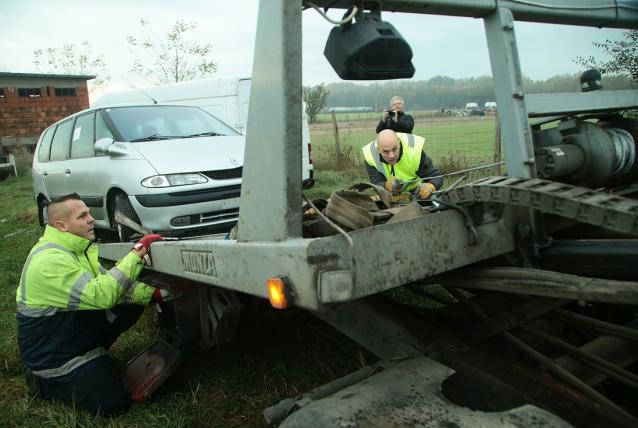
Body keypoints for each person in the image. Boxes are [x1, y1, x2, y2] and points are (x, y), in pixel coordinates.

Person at [15, 193, 170, 417]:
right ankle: (44, 383)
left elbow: (114, 283)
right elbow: (103, 295)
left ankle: (93, 359)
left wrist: (155, 294)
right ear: (61, 225)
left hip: (72, 338)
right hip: (57, 358)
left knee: (129, 300)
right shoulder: (49, 261)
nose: (91, 219)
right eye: (82, 215)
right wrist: (138, 251)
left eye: (88, 213)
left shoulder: (75, 251)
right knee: (114, 404)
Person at [362, 129, 443, 199]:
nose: (391, 156)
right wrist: (386, 185)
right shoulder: (371, 157)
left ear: (399, 143)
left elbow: (436, 177)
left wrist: (431, 185)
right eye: (386, 152)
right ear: (378, 149)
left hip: (417, 192)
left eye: (394, 149)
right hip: (390, 196)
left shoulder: (414, 151)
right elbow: (377, 182)